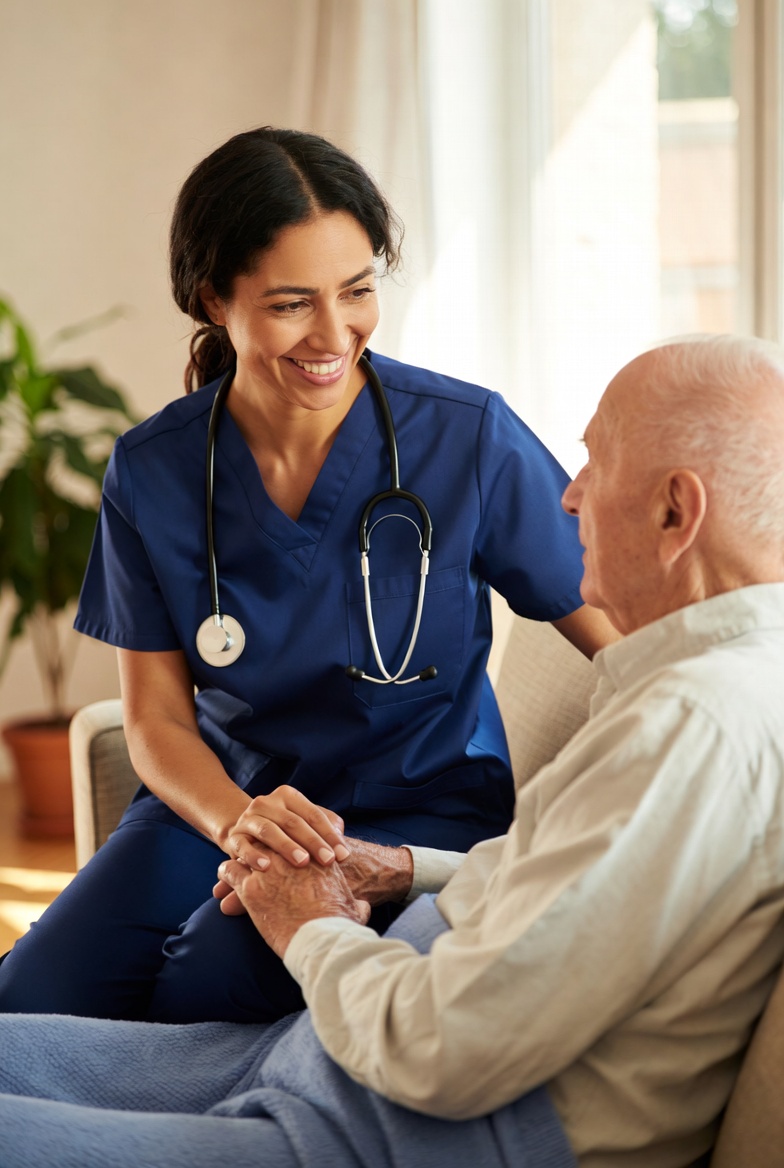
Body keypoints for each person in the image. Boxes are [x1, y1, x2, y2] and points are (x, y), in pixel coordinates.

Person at [2, 333, 784, 1168]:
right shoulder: (695, 691)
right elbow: (574, 879)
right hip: (336, 1049)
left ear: (674, 512)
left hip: (374, 1120)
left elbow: (442, 1050)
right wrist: (401, 869)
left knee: (198, 977)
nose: (568, 496)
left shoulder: (688, 726)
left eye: (598, 462)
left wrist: (312, 925)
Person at [0, 127, 612, 1024]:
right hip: (224, 804)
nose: (334, 334)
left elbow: (625, 642)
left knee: (206, 985)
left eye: (357, 290)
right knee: (27, 1000)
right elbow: (156, 719)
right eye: (292, 303)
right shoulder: (154, 468)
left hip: (415, 811)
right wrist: (236, 820)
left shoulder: (466, 438)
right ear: (214, 298)